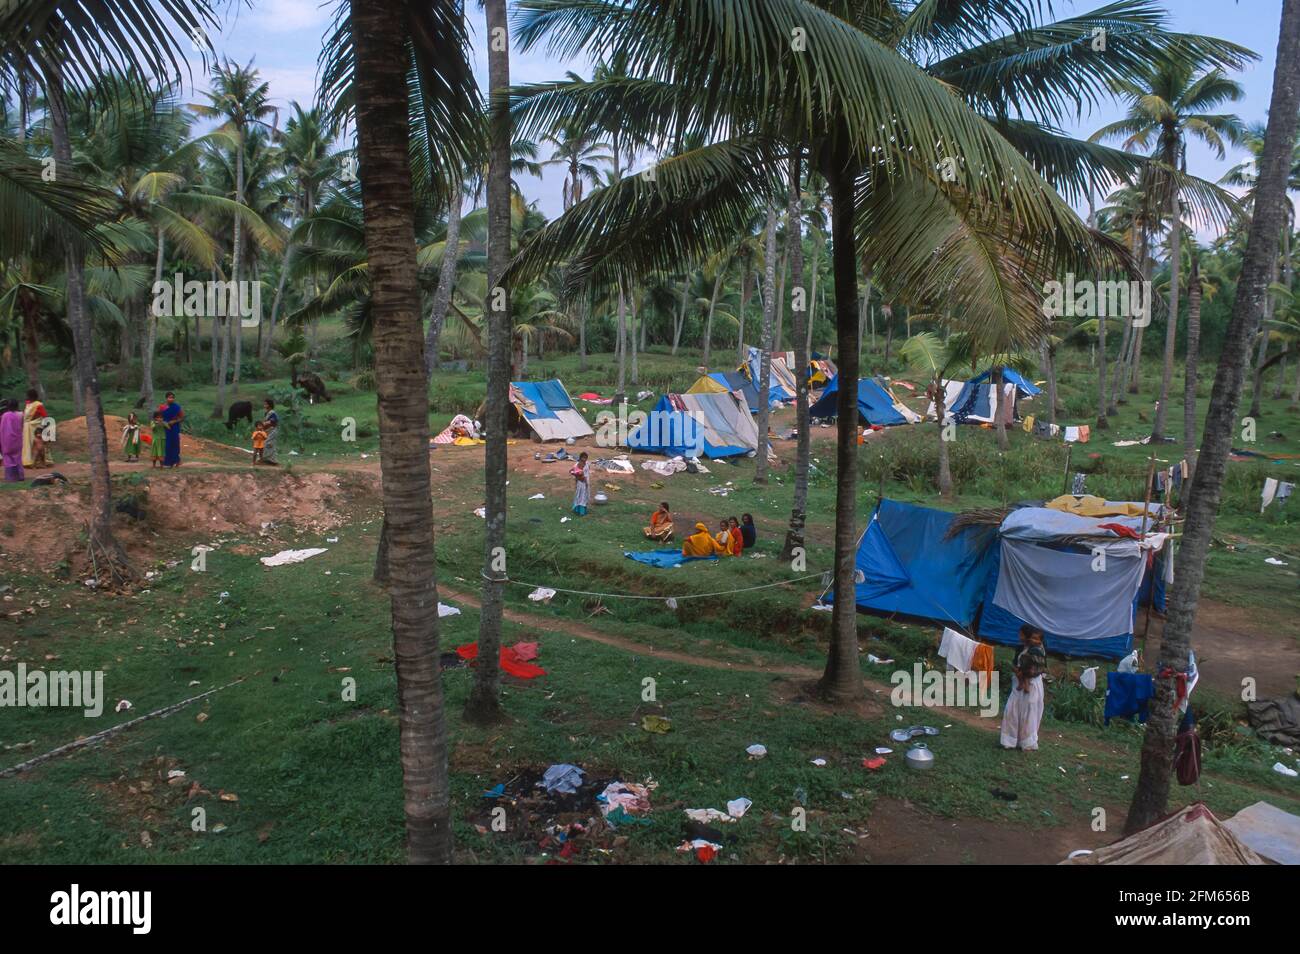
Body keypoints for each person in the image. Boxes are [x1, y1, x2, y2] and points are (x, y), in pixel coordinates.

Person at [1000, 624, 1047, 751]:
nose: (1019, 636)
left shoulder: (1039, 649)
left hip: (1032, 684)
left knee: (1029, 713)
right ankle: (1009, 740)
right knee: (1012, 710)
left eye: (1021, 634)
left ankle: (1027, 742)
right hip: (1019, 681)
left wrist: (1025, 674)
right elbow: (1015, 662)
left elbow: (1039, 668)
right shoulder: (1021, 647)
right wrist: (1018, 672)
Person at [22, 388, 50, 468]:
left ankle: (37, 462)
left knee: (36, 446)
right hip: (29, 427)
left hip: (34, 428)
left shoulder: (38, 405)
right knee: (31, 445)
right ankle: (31, 462)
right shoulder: (28, 404)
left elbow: (45, 416)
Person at [1, 398, 24, 482]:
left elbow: (3, 429)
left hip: (7, 440)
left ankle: (11, 477)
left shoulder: (5, 415)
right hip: (17, 440)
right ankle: (20, 476)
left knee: (8, 457)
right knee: (18, 458)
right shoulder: (19, 415)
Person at [160, 391, 184, 467]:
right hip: (166, 428)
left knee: (175, 444)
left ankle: (177, 460)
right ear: (166, 398)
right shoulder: (162, 407)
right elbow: (159, 417)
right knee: (167, 445)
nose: (171, 399)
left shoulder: (177, 407)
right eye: (169, 397)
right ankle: (167, 462)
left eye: (172, 398)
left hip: (174, 428)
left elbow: (182, 417)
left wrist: (174, 421)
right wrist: (163, 423)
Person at [260, 399, 279, 466]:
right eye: (264, 404)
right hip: (267, 431)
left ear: (269, 405)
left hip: (272, 430)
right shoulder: (266, 413)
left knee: (268, 443)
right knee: (269, 444)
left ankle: (268, 459)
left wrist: (265, 423)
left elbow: (274, 420)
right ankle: (270, 460)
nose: (264, 405)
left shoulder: (272, 413)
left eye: (266, 404)